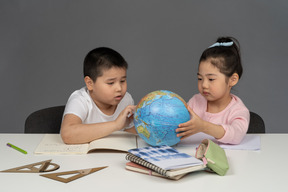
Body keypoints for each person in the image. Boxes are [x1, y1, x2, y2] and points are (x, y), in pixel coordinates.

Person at [176, 37, 249, 144]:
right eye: (200, 79)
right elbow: (180, 124)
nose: (204, 85)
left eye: (211, 79)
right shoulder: (195, 102)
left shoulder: (238, 110)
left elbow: (236, 135)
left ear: (232, 80)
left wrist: (203, 126)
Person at [60, 47, 136, 144]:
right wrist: (116, 125)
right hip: (79, 157)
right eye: (111, 83)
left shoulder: (126, 100)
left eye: (122, 81)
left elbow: (130, 136)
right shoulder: (80, 100)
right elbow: (68, 135)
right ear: (90, 83)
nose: (119, 88)